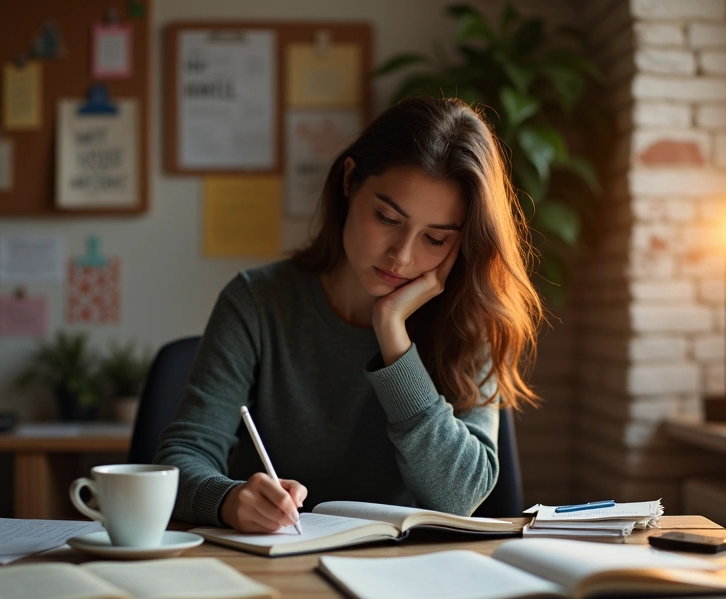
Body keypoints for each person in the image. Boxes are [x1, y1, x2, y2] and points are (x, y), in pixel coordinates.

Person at [155, 97, 544, 532]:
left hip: (409, 579)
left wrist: (393, 338)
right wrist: (228, 500)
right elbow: (181, 459)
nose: (401, 255)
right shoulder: (256, 302)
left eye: (435, 239)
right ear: (349, 181)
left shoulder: (469, 321)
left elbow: (459, 497)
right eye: (386, 217)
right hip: (277, 567)